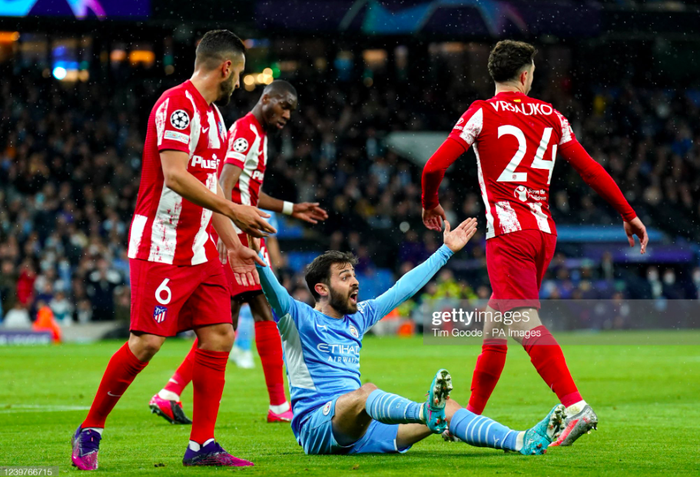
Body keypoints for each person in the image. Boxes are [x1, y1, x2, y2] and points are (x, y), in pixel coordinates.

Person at [420, 40, 649, 447]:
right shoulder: (551, 115)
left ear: (496, 74)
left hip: (508, 235)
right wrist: (628, 213)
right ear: (525, 75)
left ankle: (576, 407)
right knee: (496, 324)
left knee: (521, 323)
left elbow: (434, 165)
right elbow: (592, 171)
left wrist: (430, 204)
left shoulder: (480, 112)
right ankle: (469, 419)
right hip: (543, 232)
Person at [71, 29, 276, 470]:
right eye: (238, 74)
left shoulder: (217, 119)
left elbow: (204, 190)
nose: (239, 83)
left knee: (220, 335)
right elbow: (176, 178)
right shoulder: (176, 106)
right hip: (160, 245)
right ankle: (90, 429)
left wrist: (232, 244)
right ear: (225, 68)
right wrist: (237, 212)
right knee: (145, 344)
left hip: (201, 248)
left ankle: (202, 444)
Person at [251, 218, 565, 456]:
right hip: (318, 428)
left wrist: (445, 252)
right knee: (367, 391)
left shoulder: (358, 317)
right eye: (345, 277)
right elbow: (272, 290)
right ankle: (426, 411)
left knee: (451, 407)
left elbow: (404, 288)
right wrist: (255, 255)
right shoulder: (297, 318)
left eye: (354, 275)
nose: (355, 282)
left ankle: (522, 441)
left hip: (362, 429)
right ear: (321, 289)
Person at [149, 81, 328, 425]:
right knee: (259, 313)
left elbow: (249, 192)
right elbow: (224, 185)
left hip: (241, 237)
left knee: (228, 323)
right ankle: (277, 406)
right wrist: (228, 235)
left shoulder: (256, 135)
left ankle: (171, 392)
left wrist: (292, 208)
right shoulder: (245, 132)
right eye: (284, 107)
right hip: (237, 240)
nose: (287, 116)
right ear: (267, 99)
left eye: (291, 111)